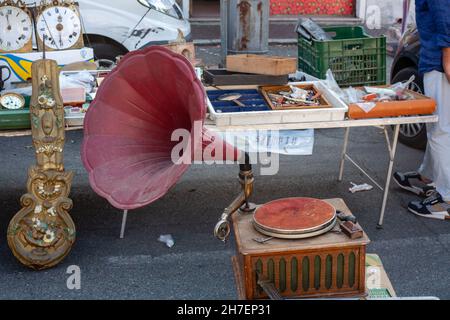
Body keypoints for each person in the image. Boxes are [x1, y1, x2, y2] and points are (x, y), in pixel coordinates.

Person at [393, 0, 450, 220]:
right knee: (439, 128)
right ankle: (429, 176)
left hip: (439, 61)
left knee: (440, 129)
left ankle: (445, 198)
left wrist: (447, 56)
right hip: (436, 57)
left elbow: (444, 13)